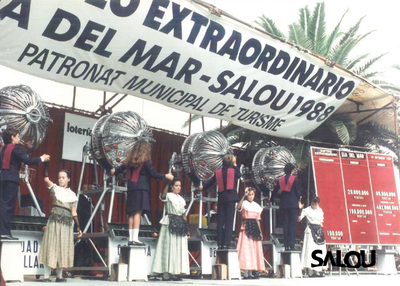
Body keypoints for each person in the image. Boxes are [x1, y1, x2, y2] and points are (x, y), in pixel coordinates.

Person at [110, 140, 173, 245]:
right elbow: (153, 174)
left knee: (131, 213)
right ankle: (135, 239)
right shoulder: (144, 162)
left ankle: (131, 238)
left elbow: (118, 170)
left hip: (131, 188)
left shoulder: (129, 161)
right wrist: (165, 176)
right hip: (141, 188)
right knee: (137, 213)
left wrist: (114, 172)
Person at [0, 127, 50, 240]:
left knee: (3, 205)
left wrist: (27, 150)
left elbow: (16, 156)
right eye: (17, 136)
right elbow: (27, 161)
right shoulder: (15, 147)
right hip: (11, 179)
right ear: (12, 137)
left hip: (3, 178)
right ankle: (4, 232)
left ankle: (3, 231)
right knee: (8, 206)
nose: (19, 139)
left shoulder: (3, 148)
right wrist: (42, 158)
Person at [38, 163, 83, 282]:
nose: (60, 179)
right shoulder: (55, 189)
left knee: (63, 247)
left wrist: (78, 227)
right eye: (59, 177)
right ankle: (46, 276)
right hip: (54, 222)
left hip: (66, 224)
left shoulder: (73, 195)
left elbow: (74, 213)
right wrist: (46, 164)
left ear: (68, 179)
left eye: (63, 177)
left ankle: (59, 276)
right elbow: (46, 179)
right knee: (51, 245)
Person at [199, 154, 241, 249]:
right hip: (231, 199)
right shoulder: (233, 171)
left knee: (221, 220)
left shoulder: (218, 172)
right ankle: (227, 243)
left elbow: (211, 182)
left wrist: (203, 188)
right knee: (229, 221)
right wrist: (235, 164)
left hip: (222, 198)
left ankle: (220, 243)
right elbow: (239, 175)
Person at [151, 178, 190, 281]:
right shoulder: (168, 196)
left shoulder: (182, 199)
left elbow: (183, 214)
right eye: (176, 185)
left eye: (180, 186)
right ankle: (166, 273)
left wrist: (187, 228)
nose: (178, 187)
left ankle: (175, 273)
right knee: (169, 247)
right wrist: (167, 184)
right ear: (172, 187)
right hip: (170, 222)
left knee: (177, 248)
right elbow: (162, 196)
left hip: (180, 223)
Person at [271, 163, 301, 250]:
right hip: (293, 204)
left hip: (284, 204)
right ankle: (291, 244)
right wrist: (299, 197)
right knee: (292, 224)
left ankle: (286, 243)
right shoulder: (294, 179)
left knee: (285, 224)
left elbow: (275, 191)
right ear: (292, 171)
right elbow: (296, 192)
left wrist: (273, 198)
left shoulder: (280, 180)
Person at [236, 187, 265, 279]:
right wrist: (243, 196)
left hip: (254, 227)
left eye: (252, 194)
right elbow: (238, 207)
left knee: (254, 249)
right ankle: (245, 273)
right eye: (249, 194)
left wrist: (260, 232)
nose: (250, 196)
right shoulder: (244, 203)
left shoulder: (257, 206)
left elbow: (258, 220)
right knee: (246, 249)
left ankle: (252, 272)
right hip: (246, 226)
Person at [298, 197, 327, 277]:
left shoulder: (320, 210)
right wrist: (299, 209)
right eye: (313, 204)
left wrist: (322, 233)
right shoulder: (307, 210)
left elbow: (321, 222)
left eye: (316, 204)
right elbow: (299, 219)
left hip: (319, 230)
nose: (314, 206)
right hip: (310, 230)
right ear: (311, 203)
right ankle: (311, 271)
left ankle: (320, 270)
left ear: (318, 204)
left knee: (319, 249)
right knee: (311, 249)